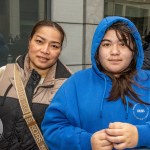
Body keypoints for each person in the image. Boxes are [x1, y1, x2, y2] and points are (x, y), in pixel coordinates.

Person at [42, 16, 150, 150]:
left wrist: (142, 135)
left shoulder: (148, 81)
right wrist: (86, 142)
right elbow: (52, 129)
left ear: (134, 50)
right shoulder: (76, 83)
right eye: (106, 44)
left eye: (123, 44)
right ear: (97, 50)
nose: (114, 52)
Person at [0, 20, 72, 149]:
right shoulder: (4, 74)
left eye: (54, 46)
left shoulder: (69, 86)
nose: (45, 50)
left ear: (60, 50)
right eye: (39, 41)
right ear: (29, 42)